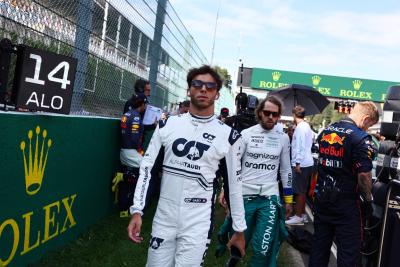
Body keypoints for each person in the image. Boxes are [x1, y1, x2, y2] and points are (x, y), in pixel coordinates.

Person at [127, 65, 247, 266]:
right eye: (197, 84)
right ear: (189, 90)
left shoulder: (230, 136)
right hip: (164, 217)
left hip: (198, 222)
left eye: (210, 86)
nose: (203, 89)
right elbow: (147, 169)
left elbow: (234, 186)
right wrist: (137, 210)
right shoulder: (167, 125)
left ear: (217, 94)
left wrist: (239, 228)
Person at [217, 95, 293, 266]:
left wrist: (288, 200)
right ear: (259, 113)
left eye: (275, 114)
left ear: (279, 116)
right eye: (267, 113)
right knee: (239, 239)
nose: (271, 117)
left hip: (269, 198)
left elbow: (286, 169)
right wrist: (224, 189)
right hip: (245, 196)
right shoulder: (246, 134)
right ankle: (232, 260)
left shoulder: (283, 138)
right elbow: (234, 166)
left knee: (263, 247)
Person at [309, 101, 379, 267]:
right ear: (366, 119)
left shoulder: (327, 130)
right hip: (346, 204)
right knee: (349, 254)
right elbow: (364, 175)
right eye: (369, 125)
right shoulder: (361, 138)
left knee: (319, 248)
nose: (367, 129)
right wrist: (368, 199)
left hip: (322, 199)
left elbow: (318, 159)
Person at [117, 93, 148, 213]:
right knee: (146, 170)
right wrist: (140, 151)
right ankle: (136, 206)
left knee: (132, 177)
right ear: (143, 104)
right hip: (130, 152)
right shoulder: (136, 117)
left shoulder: (127, 114)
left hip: (125, 151)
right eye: (145, 104)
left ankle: (125, 177)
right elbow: (135, 139)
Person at [285, 105, 314, 225]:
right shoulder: (305, 126)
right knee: (301, 190)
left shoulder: (301, 127)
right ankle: (301, 214)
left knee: (299, 191)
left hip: (301, 163)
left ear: (294, 115)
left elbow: (300, 146)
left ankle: (298, 217)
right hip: (306, 162)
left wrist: (297, 163)